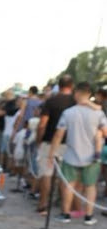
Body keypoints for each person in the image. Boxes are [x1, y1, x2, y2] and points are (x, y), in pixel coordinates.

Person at [49, 81, 107, 224]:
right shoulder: (98, 113)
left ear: (76, 94)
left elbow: (58, 135)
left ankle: (66, 214)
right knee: (90, 186)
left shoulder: (68, 113)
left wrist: (52, 152)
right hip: (93, 156)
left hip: (71, 155)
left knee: (69, 185)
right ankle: (88, 216)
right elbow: (106, 132)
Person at [35, 74, 75, 213]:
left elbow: (42, 124)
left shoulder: (51, 101)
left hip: (49, 140)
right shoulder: (75, 101)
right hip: (69, 143)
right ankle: (63, 205)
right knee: (64, 175)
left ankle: (43, 204)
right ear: (72, 85)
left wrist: (38, 139)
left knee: (46, 173)